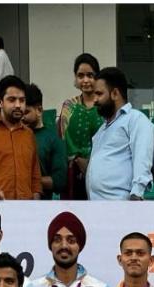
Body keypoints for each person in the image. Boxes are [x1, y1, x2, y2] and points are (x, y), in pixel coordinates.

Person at [86, 67, 154, 201]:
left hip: (122, 206)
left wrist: (137, 194)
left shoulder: (135, 119)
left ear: (115, 94)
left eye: (99, 94)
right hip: (96, 207)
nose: (95, 100)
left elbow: (142, 158)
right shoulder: (102, 130)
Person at [58, 53, 103, 201]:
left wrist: (90, 164)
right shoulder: (68, 106)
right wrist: (77, 159)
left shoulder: (104, 106)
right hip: (72, 172)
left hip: (101, 172)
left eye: (90, 75)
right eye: (80, 75)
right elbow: (63, 138)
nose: (85, 80)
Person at [23, 83, 67, 199]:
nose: (21, 117)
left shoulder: (53, 140)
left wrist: (25, 180)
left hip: (41, 209)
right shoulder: (12, 137)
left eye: (26, 112)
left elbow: (59, 181)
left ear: (39, 110)